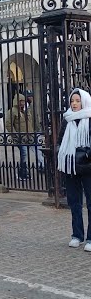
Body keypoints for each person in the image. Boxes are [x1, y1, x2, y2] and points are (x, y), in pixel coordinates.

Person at [57, 88, 91, 251]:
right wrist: (62, 152)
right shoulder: (67, 118)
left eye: (77, 101)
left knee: (90, 203)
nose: (74, 104)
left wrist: (87, 155)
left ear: (83, 101)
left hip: (87, 166)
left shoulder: (89, 117)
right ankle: (77, 235)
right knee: (74, 202)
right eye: (72, 101)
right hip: (70, 165)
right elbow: (60, 139)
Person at [5, 92, 35, 180]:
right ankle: (22, 172)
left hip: (28, 137)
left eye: (23, 101)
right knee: (24, 154)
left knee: (25, 155)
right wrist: (15, 135)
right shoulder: (12, 111)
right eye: (20, 101)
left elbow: (30, 122)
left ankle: (24, 171)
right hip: (20, 137)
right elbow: (8, 124)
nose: (22, 103)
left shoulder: (26, 110)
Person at [24, 90, 45, 171]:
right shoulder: (28, 106)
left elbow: (35, 119)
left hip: (34, 130)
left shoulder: (31, 106)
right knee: (36, 149)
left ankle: (42, 165)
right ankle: (41, 165)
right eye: (29, 96)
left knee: (37, 149)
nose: (30, 97)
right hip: (32, 130)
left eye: (31, 96)